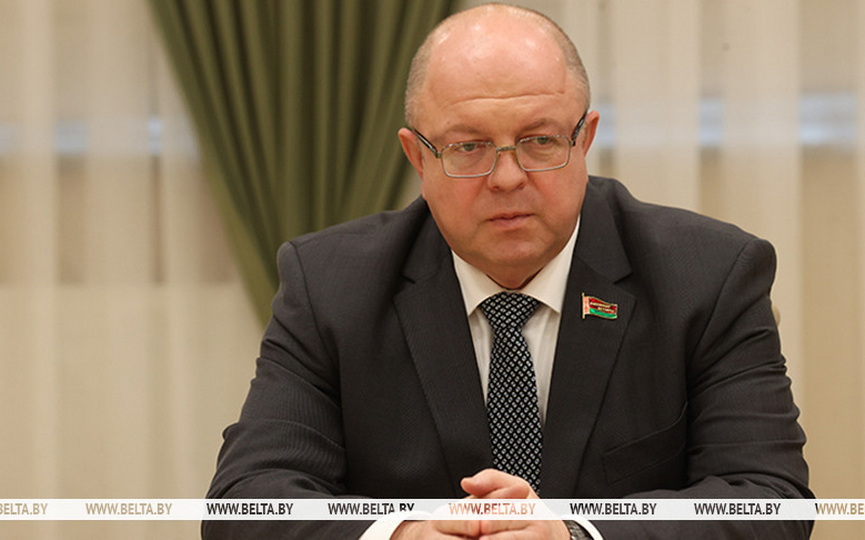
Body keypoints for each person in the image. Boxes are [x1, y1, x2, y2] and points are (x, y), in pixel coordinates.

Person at [203, 4, 812, 539]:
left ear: (584, 139)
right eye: (468, 147)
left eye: (539, 140)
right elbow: (246, 504)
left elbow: (769, 500)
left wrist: (574, 534)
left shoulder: (707, 276)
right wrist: (403, 534)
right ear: (417, 156)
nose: (507, 177)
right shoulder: (330, 284)